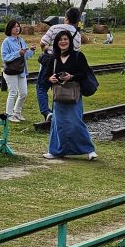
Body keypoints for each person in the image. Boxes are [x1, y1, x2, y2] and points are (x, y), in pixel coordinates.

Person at [38, 30, 98, 160]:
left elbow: (84, 73)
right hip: (59, 95)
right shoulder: (53, 58)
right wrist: (51, 79)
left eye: (65, 39)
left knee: (76, 122)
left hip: (74, 94)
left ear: (70, 41)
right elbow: (47, 75)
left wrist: (71, 77)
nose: (63, 42)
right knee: (58, 124)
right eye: (60, 40)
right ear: (56, 42)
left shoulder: (78, 56)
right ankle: (55, 151)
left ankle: (89, 150)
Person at [1, 20, 36, 121]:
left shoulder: (21, 40)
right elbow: (5, 58)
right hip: (11, 71)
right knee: (13, 92)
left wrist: (31, 51)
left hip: (21, 70)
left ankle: (17, 112)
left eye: (18, 26)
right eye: (14, 27)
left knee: (24, 93)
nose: (17, 28)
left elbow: (25, 56)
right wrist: (18, 53)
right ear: (9, 29)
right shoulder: (6, 42)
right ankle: (9, 114)